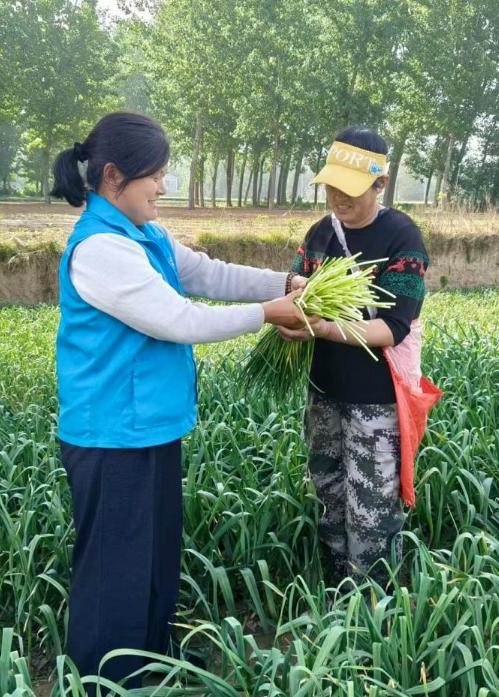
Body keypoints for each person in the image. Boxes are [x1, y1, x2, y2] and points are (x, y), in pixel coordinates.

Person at [50, 111, 307, 690]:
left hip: (150, 426)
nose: (163, 187)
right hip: (110, 434)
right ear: (113, 176)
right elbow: (178, 319)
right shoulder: (100, 248)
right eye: (156, 175)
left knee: (154, 554)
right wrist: (269, 314)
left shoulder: (145, 235)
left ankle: (149, 662)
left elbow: (209, 275)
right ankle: (106, 680)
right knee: (115, 566)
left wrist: (284, 285)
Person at [280, 127, 430, 587]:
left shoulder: (401, 237)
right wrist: (293, 302)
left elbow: (392, 327)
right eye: (331, 186)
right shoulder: (320, 233)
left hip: (375, 402)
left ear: (380, 183)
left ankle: (374, 610)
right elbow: (293, 285)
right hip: (323, 393)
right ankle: (336, 596)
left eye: (350, 187)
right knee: (330, 499)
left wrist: (325, 327)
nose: (338, 197)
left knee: (371, 513)